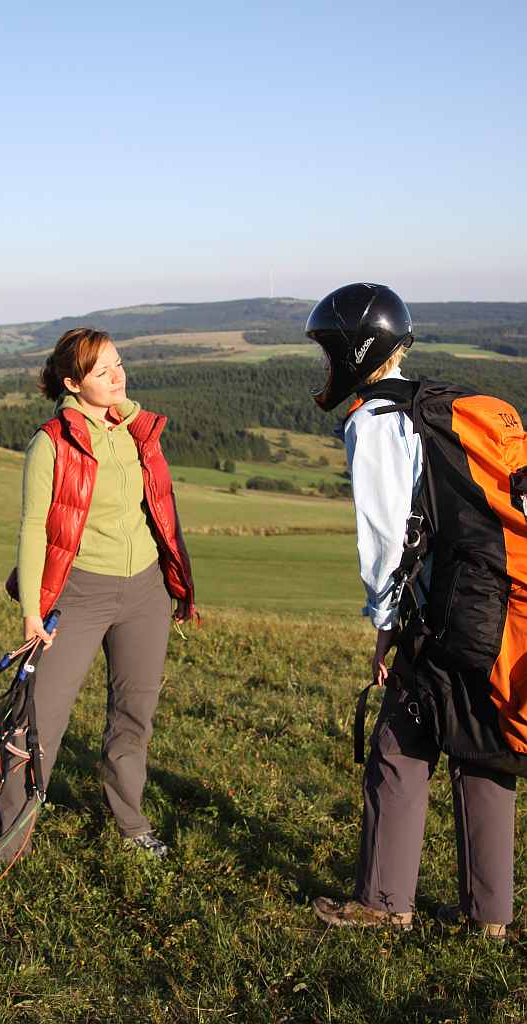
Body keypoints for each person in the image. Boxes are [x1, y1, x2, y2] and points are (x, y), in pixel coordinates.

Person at [306, 282, 523, 941]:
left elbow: (384, 538)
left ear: (354, 351)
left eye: (328, 350)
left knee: (398, 746)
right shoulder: (446, 407)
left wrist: (384, 626)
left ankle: (383, 903)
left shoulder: (376, 423)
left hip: (444, 617)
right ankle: (488, 917)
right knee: (482, 751)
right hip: (493, 609)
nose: (326, 363)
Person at [0, 327, 195, 869]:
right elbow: (33, 528)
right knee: (36, 720)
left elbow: (160, 510)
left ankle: (131, 824)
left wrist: (175, 582)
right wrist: (32, 611)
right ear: (73, 383)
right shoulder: (51, 442)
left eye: (118, 363)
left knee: (133, 714)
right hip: (79, 594)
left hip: (145, 592)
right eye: (102, 370)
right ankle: (7, 842)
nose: (118, 375)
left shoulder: (139, 429)